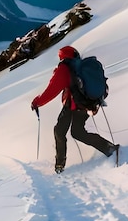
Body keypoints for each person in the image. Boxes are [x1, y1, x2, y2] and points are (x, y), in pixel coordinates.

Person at [31, 45, 119, 173]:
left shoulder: (64, 68)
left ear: (62, 57)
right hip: (87, 103)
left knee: (59, 131)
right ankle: (109, 148)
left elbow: (52, 90)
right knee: (78, 132)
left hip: (73, 105)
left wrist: (37, 102)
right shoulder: (81, 66)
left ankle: (59, 165)